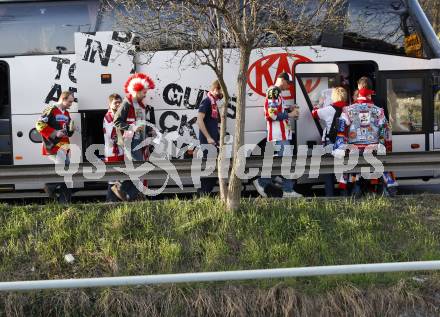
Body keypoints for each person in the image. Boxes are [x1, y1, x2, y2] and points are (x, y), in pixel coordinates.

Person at [333, 77, 397, 196]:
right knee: (379, 165)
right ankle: (388, 183)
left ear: (358, 88)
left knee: (350, 166)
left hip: (355, 148)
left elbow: (341, 129)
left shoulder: (348, 110)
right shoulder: (379, 110)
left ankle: (351, 186)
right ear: (371, 90)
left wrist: (340, 146)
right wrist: (382, 144)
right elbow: (384, 128)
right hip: (373, 147)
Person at [253, 72, 302, 198]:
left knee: (282, 163)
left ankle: (265, 183)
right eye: (289, 83)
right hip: (278, 135)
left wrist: (289, 109)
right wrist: (290, 115)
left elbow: (277, 111)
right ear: (283, 80)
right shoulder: (274, 91)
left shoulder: (276, 93)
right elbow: (272, 114)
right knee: (286, 162)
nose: (289, 86)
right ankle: (285, 189)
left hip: (281, 135)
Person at [113, 73, 156, 201]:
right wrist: (132, 128)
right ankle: (124, 190)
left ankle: (126, 192)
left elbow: (141, 123)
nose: (145, 95)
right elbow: (117, 121)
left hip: (139, 142)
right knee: (139, 169)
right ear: (136, 91)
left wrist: (150, 130)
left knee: (138, 169)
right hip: (130, 142)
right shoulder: (127, 103)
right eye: (144, 92)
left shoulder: (140, 105)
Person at [36, 91, 75, 203]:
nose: (71, 104)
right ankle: (50, 186)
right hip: (53, 146)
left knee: (68, 174)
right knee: (63, 171)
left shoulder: (67, 113)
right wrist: (55, 133)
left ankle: (64, 202)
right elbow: (39, 124)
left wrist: (71, 130)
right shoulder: (51, 109)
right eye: (69, 101)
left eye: (72, 102)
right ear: (63, 98)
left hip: (64, 146)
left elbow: (66, 131)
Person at [312, 86, 348, 196]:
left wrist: (320, 103)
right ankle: (345, 197)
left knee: (329, 172)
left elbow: (314, 113)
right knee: (343, 172)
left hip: (330, 143)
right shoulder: (349, 109)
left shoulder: (328, 109)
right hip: (344, 144)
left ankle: (329, 197)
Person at [197, 79, 222, 194]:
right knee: (209, 170)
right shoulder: (207, 102)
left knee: (213, 170)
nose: (220, 94)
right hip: (208, 142)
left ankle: (205, 193)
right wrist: (208, 137)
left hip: (214, 141)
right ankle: (203, 193)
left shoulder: (214, 104)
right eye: (219, 90)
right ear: (214, 89)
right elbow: (199, 120)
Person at [103, 93, 124, 202]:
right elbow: (113, 136)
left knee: (116, 179)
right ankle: (110, 203)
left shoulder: (116, 115)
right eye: (115, 102)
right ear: (110, 104)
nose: (118, 104)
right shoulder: (110, 116)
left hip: (116, 151)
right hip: (113, 151)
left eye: (119, 102)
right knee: (114, 180)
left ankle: (111, 203)